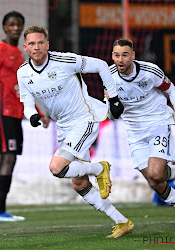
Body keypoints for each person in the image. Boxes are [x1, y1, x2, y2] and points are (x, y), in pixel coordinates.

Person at [17, 25, 134, 239]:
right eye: (32, 44)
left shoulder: (64, 61)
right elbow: (26, 103)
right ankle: (122, 222)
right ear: (25, 47)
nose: (36, 47)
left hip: (84, 120)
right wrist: (31, 115)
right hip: (63, 127)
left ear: (47, 45)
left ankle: (99, 168)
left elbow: (100, 65)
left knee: (56, 167)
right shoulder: (23, 73)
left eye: (40, 42)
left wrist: (114, 97)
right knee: (79, 183)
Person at [0, 12, 49, 222]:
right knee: (7, 157)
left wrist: (36, 111)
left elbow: (23, 89)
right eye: (11, 25)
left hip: (16, 113)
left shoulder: (20, 54)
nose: (15, 28)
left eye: (19, 24)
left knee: (7, 157)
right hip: (2, 112)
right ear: (4, 28)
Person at [108, 38, 175, 208]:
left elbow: (171, 89)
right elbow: (111, 113)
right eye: (117, 55)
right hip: (134, 132)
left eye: (125, 55)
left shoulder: (150, 71)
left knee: (156, 173)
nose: (120, 59)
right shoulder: (108, 76)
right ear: (112, 56)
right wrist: (111, 110)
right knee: (154, 181)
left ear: (133, 55)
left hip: (157, 124)